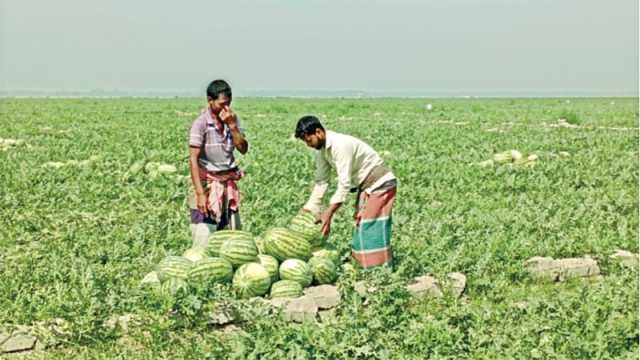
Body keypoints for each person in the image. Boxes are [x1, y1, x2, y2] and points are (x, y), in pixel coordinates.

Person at [295, 115, 397, 268]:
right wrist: (309, 208)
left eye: (308, 140)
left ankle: (379, 270)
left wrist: (329, 213)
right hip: (367, 186)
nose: (308, 145)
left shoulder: (340, 145)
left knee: (369, 228)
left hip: (380, 183)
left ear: (318, 132)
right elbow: (322, 181)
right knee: (361, 224)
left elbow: (344, 183)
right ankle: (365, 265)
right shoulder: (322, 151)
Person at [188, 80, 248, 246]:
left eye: (228, 103)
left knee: (230, 238)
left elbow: (243, 148)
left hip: (227, 183)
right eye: (222, 104)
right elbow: (193, 159)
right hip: (207, 184)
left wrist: (232, 126)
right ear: (210, 100)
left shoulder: (232, 119)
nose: (226, 108)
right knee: (204, 235)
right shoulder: (200, 124)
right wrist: (200, 194)